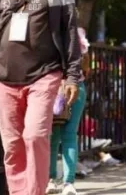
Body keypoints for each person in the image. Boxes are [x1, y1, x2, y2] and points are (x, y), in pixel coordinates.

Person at [0, 0, 82, 195]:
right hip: (5, 78)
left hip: (45, 73)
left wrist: (72, 75)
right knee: (13, 143)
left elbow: (70, 30)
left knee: (35, 135)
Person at [47, 27, 91, 195]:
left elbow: (86, 61)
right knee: (62, 135)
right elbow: (86, 63)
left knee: (60, 135)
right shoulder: (77, 33)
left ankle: (59, 180)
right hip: (69, 85)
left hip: (65, 86)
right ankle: (64, 182)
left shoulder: (51, 30)